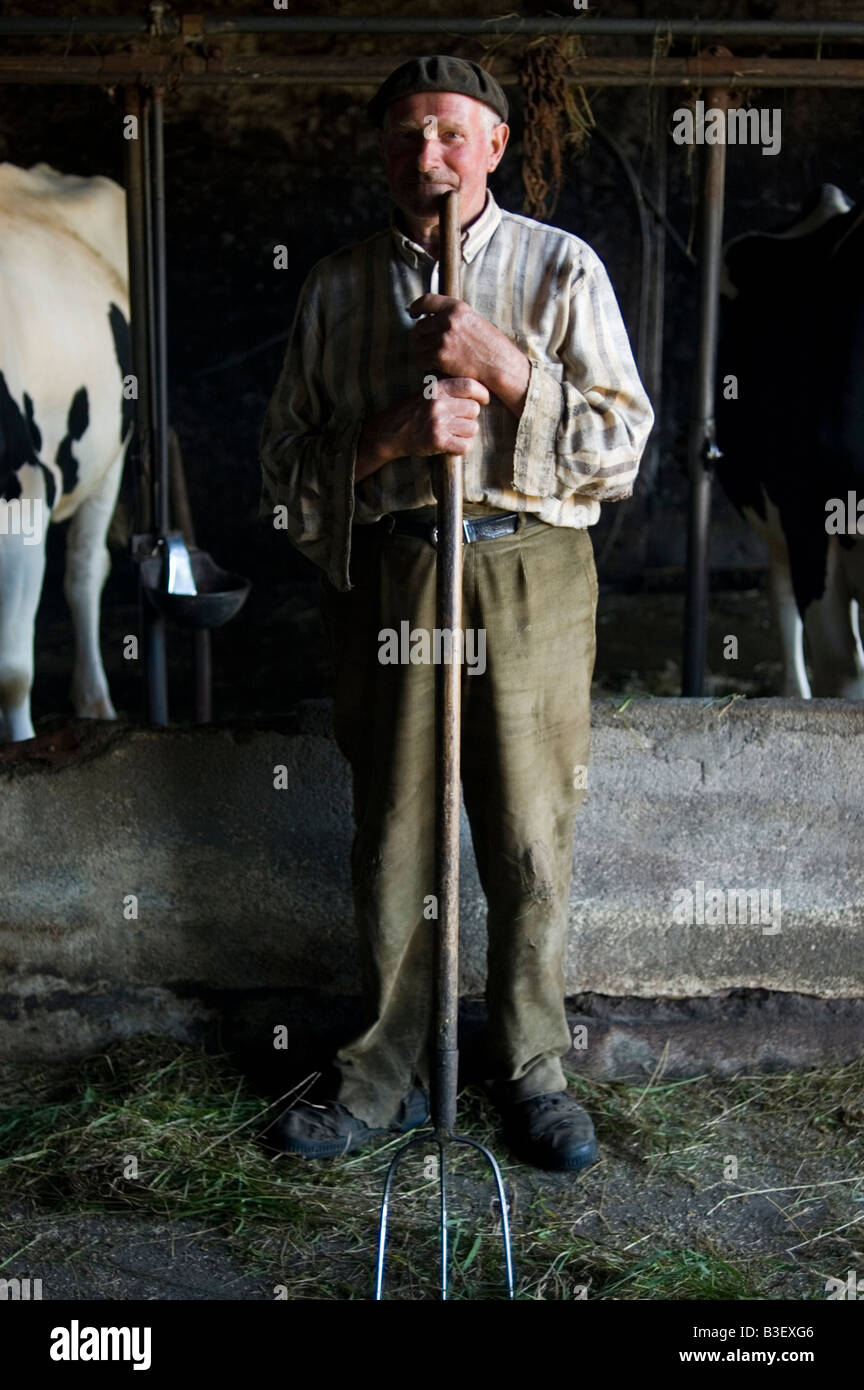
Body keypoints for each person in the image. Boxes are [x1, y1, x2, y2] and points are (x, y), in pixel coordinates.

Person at [258, 55, 654, 1170]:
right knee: (394, 831)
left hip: (528, 571)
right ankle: (383, 1072)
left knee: (529, 830)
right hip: (396, 573)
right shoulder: (336, 287)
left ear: (493, 146)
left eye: (446, 134)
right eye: (401, 138)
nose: (422, 157)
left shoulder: (561, 269)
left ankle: (533, 1068)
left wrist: (508, 369)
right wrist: (386, 437)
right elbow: (281, 476)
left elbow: (623, 451)